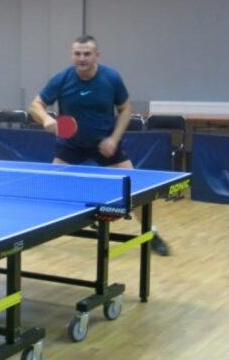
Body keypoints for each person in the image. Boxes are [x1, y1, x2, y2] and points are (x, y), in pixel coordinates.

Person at [27, 35, 170, 255]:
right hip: (71, 145)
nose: (82, 58)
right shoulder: (62, 79)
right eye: (77, 54)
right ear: (72, 55)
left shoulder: (111, 78)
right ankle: (32, 232)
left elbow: (125, 108)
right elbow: (35, 105)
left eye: (87, 54)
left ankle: (151, 233)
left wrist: (114, 139)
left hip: (105, 144)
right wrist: (46, 119)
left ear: (96, 55)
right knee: (50, 188)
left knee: (134, 190)